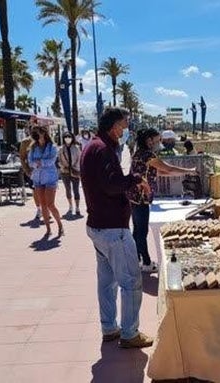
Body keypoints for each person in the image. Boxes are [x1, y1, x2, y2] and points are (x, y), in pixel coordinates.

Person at [80, 107, 153, 349]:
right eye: (124, 125)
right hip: (112, 230)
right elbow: (111, 185)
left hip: (99, 227)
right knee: (131, 281)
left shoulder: (94, 146)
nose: (125, 129)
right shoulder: (102, 149)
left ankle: (109, 327)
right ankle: (130, 333)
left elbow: (106, 182)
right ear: (113, 126)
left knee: (107, 282)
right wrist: (135, 179)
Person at [128, 128, 196, 273]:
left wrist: (176, 174)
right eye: (157, 140)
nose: (159, 143)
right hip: (141, 197)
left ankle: (136, 259)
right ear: (149, 140)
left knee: (137, 230)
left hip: (133, 196)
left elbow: (159, 171)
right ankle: (146, 262)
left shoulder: (138, 154)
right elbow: (168, 169)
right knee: (142, 232)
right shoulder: (148, 155)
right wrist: (188, 171)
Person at [28, 126, 63, 237]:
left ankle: (60, 225)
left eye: (40, 132)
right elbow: (30, 161)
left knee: (50, 204)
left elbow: (52, 161)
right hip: (38, 178)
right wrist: (36, 163)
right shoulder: (33, 147)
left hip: (50, 177)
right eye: (36, 133)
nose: (38, 134)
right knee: (43, 204)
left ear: (44, 133)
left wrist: (40, 162)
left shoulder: (52, 146)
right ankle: (48, 229)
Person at [19, 126, 41, 220]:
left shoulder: (44, 140)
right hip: (33, 171)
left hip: (45, 171)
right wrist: (27, 170)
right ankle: (39, 209)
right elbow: (22, 157)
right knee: (35, 190)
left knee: (46, 190)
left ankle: (46, 208)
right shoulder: (25, 142)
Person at [58, 131, 82, 216]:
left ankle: (77, 207)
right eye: (66, 137)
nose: (67, 139)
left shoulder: (76, 148)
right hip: (65, 171)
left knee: (76, 190)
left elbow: (79, 159)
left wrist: (75, 168)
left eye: (69, 137)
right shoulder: (61, 149)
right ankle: (70, 206)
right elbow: (59, 160)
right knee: (67, 189)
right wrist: (64, 167)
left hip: (75, 171)